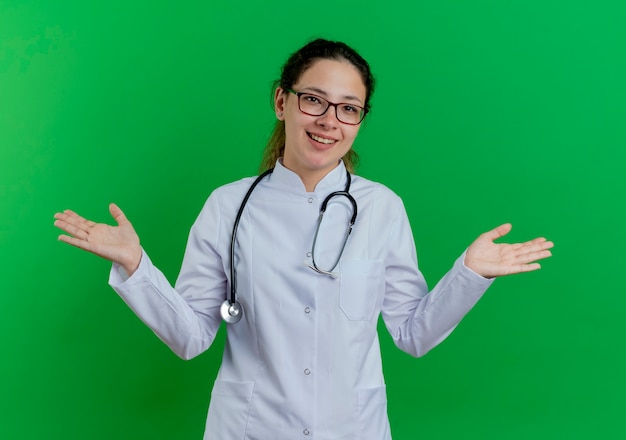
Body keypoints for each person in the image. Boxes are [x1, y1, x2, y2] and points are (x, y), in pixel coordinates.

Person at [53, 39, 553, 440]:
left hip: (352, 429)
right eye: (313, 99)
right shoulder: (228, 206)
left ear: (360, 120)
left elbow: (413, 334)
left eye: (348, 108)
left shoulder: (382, 208)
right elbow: (190, 338)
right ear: (281, 101)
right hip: (250, 428)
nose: (328, 120)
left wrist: (470, 274)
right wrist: (136, 267)